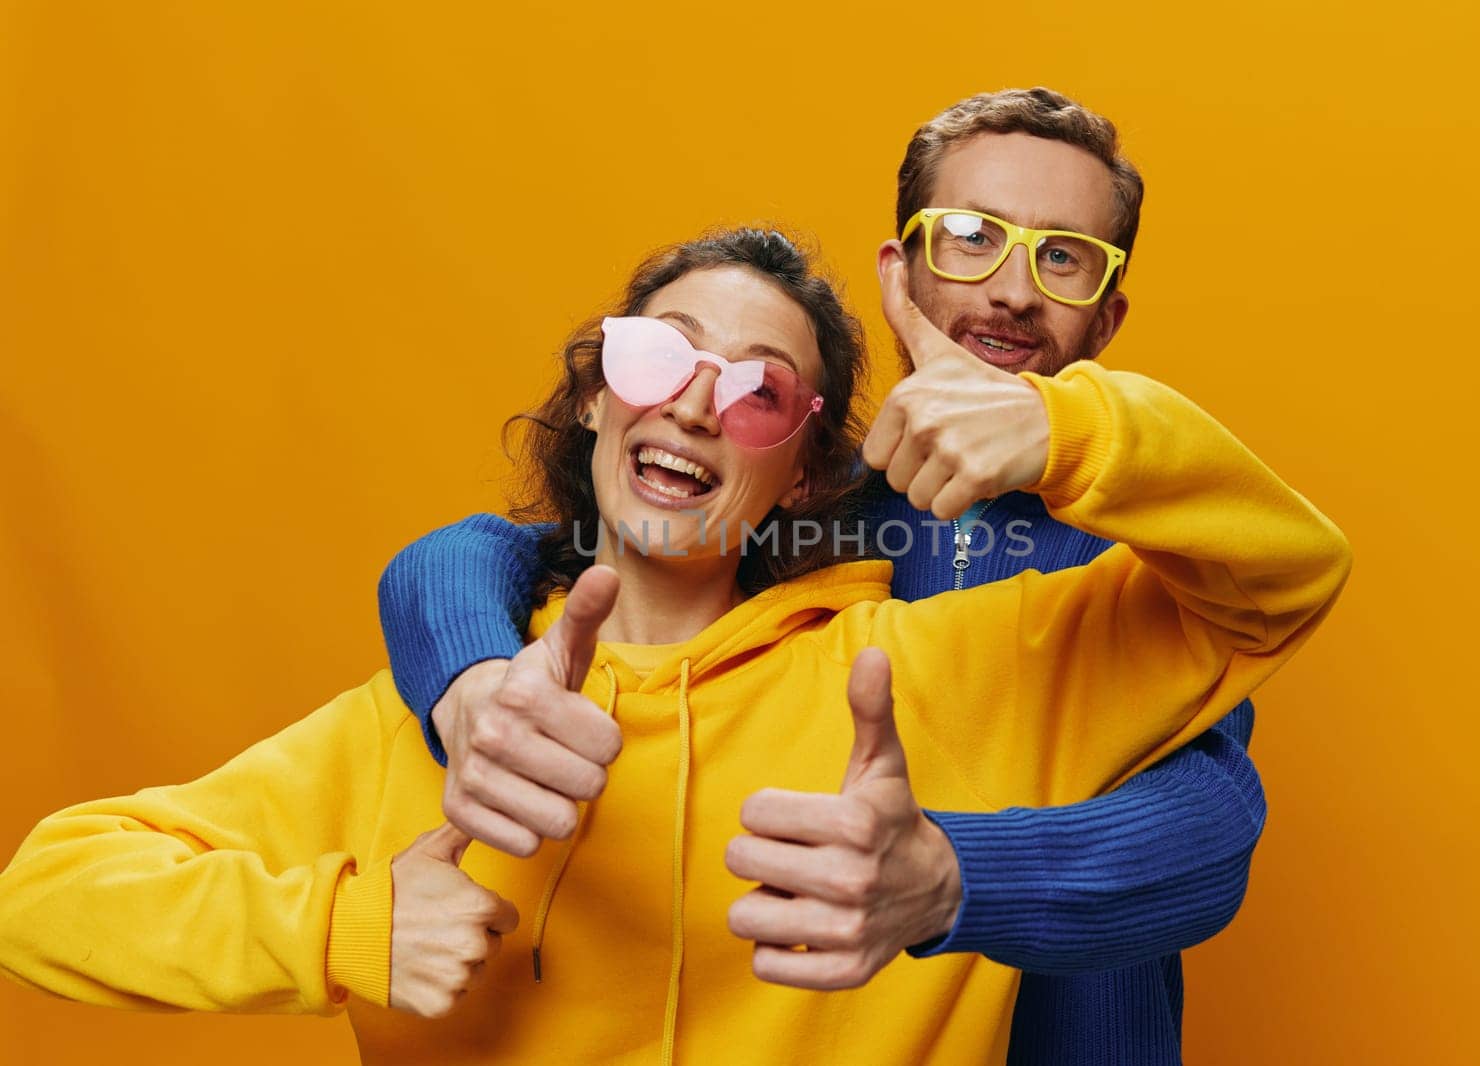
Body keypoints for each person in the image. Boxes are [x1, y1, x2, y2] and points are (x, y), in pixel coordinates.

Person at [0, 226, 1351, 1065]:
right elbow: (43, 894)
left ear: (804, 474)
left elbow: (1284, 574)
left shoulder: (935, 672)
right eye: (660, 356)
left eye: (761, 390)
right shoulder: (444, 720)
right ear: (598, 394)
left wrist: (1074, 430)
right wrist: (345, 921)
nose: (700, 405)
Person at [378, 88, 1265, 1063]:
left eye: (1062, 257)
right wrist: (466, 679)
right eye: (969, 236)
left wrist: (950, 878)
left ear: (1105, 318)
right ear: (901, 272)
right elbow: (495, 550)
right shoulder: (794, 497)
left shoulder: (1149, 554)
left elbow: (1212, 825)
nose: (1012, 288)